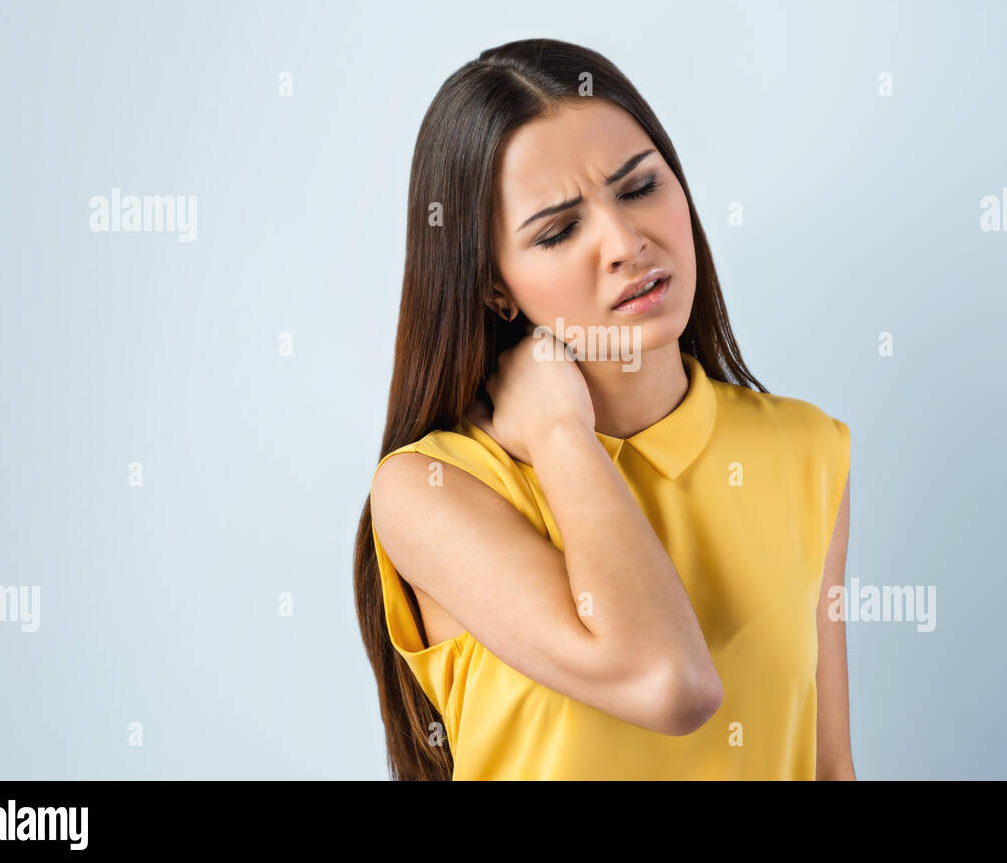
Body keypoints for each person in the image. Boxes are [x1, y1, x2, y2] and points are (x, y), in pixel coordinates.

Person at [353, 38, 854, 780]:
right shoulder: (432, 487)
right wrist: (561, 433)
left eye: (639, 187)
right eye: (558, 230)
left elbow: (829, 768)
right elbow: (669, 681)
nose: (625, 242)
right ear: (495, 288)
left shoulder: (808, 450)